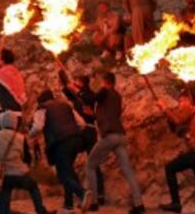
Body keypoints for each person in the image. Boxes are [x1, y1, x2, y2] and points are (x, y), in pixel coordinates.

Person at [83, 71, 145, 213]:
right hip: (120, 136)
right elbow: (108, 114)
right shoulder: (117, 96)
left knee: (90, 164)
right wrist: (93, 114)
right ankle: (139, 204)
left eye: (102, 82)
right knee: (128, 170)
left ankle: (93, 203)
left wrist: (78, 91)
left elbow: (91, 99)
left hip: (109, 136)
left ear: (106, 81)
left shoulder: (105, 90)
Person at [157, 91, 195, 214]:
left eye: (180, 101)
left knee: (170, 168)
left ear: (187, 100)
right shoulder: (193, 112)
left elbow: (178, 120)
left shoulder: (189, 108)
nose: (179, 104)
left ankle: (176, 203)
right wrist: (165, 112)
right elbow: (176, 127)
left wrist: (164, 108)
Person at [29, 89, 85, 211]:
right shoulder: (66, 105)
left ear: (41, 100)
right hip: (76, 140)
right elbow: (82, 123)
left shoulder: (42, 108)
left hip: (60, 142)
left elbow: (38, 127)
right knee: (68, 171)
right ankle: (68, 204)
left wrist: (30, 134)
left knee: (63, 174)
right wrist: (73, 133)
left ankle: (83, 194)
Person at [0, 110, 48, 214]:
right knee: (33, 186)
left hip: (1, 176)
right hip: (19, 175)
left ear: (1, 122)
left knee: (3, 198)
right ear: (15, 123)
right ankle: (40, 210)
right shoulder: (21, 138)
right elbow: (27, 158)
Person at [60, 71, 105, 205]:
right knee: (69, 159)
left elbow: (87, 99)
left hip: (89, 131)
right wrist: (62, 77)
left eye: (78, 81)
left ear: (83, 83)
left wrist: (77, 90)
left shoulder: (89, 95)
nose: (76, 83)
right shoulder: (76, 96)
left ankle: (99, 193)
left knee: (93, 162)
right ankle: (80, 190)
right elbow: (66, 89)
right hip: (80, 131)